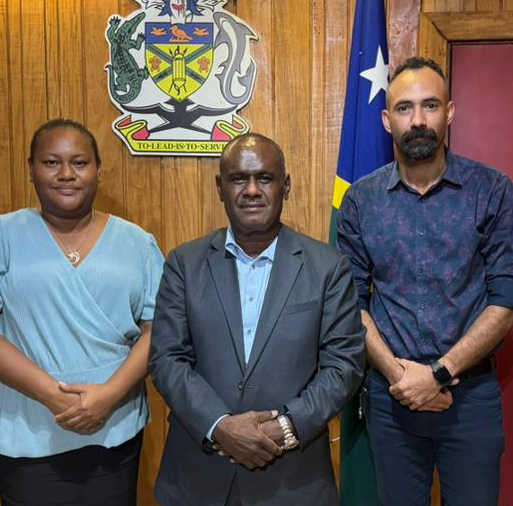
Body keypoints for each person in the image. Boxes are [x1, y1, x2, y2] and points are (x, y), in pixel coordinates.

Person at [336, 56, 513, 505]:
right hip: (392, 396)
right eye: (405, 108)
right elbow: (350, 300)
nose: (419, 120)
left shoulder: (492, 191)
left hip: (471, 398)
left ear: (450, 112)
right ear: (387, 120)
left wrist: (440, 374)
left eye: (430, 105)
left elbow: (509, 295)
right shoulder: (361, 200)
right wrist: (402, 377)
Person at [0, 119, 163, 506]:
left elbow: (158, 330)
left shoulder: (138, 243)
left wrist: (107, 397)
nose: (66, 174)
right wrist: (56, 398)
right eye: (51, 163)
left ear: (99, 169)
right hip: (29, 429)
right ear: (31, 168)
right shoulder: (0, 236)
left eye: (79, 163)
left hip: (114, 429)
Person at [149, 133, 365, 506]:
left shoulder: (328, 268)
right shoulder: (184, 264)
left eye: (264, 178)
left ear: (286, 186)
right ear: (220, 187)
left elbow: (343, 366)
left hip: (293, 480)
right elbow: (167, 360)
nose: (251, 190)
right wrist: (220, 426)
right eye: (238, 179)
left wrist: (284, 427)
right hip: (198, 479)